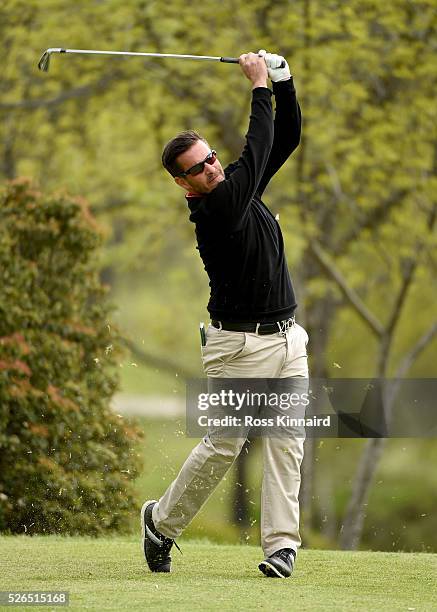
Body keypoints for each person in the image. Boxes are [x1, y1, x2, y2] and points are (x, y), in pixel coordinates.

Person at [141, 50, 309, 579]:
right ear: (183, 183)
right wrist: (257, 86)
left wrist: (282, 84)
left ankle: (281, 547)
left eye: (211, 158)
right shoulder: (215, 210)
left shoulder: (238, 186)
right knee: (224, 446)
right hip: (239, 347)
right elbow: (257, 143)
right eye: (199, 167)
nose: (211, 167)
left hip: (288, 341)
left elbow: (282, 140)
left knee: (287, 442)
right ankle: (160, 524)